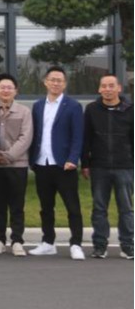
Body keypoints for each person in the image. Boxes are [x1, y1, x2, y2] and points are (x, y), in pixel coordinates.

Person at [28, 66, 85, 261]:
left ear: (65, 84)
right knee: (46, 207)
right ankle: (48, 242)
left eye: (59, 80)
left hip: (64, 165)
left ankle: (76, 244)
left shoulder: (73, 106)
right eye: (52, 79)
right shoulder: (37, 106)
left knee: (72, 207)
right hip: (42, 163)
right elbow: (36, 133)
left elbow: (78, 136)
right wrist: (32, 160)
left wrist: (73, 159)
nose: (55, 83)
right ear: (45, 82)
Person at [83, 74, 133, 259]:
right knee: (99, 208)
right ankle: (100, 245)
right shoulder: (92, 109)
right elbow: (86, 138)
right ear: (99, 89)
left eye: (111, 85)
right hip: (99, 166)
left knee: (126, 209)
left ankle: (128, 245)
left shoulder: (130, 110)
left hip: (125, 166)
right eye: (103, 86)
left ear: (119, 88)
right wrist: (85, 164)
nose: (107, 89)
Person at [0, 73, 33, 257]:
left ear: (16, 91)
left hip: (17, 165)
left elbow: (26, 137)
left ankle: (17, 240)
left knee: (17, 204)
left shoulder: (24, 112)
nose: (6, 90)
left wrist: (8, 156)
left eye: (9, 87)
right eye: (2, 87)